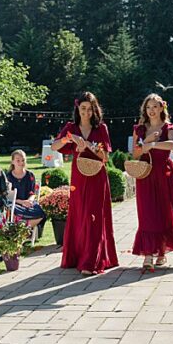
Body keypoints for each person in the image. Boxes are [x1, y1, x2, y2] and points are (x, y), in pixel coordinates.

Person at [50, 91, 118, 275]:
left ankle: (91, 260)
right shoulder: (71, 127)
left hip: (97, 175)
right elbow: (55, 146)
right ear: (78, 109)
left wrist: (87, 144)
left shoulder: (101, 128)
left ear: (95, 110)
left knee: (94, 215)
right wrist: (70, 138)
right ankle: (77, 256)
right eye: (83, 108)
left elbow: (105, 157)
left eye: (90, 109)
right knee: (81, 214)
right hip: (79, 175)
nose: (87, 112)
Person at [131, 93, 173, 272]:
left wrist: (152, 145)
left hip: (164, 173)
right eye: (148, 107)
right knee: (147, 212)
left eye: (154, 107)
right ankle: (148, 254)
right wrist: (147, 142)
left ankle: (161, 251)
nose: (151, 110)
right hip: (145, 174)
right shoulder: (139, 129)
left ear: (161, 108)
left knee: (165, 211)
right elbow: (135, 154)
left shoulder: (168, 127)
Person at [4, 149, 46, 229]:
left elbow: (32, 193)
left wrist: (29, 201)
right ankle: (21, 230)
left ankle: (23, 230)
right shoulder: (8, 177)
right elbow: (8, 196)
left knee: (42, 212)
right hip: (14, 203)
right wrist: (22, 202)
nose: (21, 162)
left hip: (28, 203)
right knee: (10, 210)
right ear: (12, 162)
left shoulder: (30, 175)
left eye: (23, 160)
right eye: (18, 160)